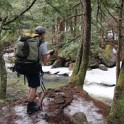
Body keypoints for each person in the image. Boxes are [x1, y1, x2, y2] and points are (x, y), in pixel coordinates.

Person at [26, 26, 54, 114]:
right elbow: (45, 60)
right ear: (42, 34)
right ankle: (30, 107)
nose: (44, 35)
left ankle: (31, 101)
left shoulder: (29, 40)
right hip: (34, 67)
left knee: (31, 85)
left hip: (25, 66)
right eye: (44, 33)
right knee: (34, 87)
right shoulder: (42, 43)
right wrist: (50, 54)